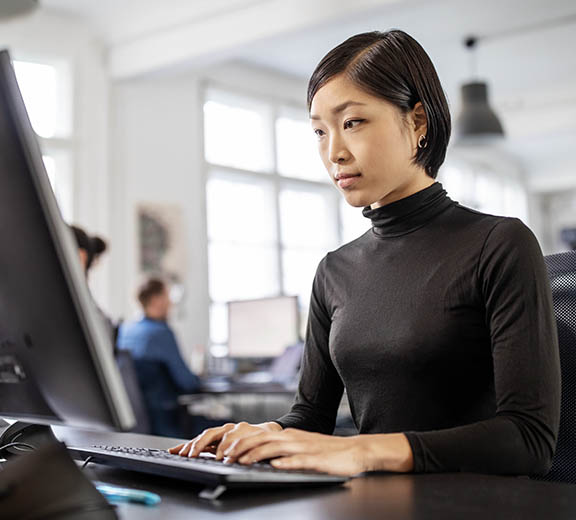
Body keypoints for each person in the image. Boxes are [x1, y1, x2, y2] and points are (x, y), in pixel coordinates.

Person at [169, 29, 560, 477]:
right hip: (372, 502)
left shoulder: (499, 244)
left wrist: (364, 450)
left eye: (352, 122)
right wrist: (264, 433)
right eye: (319, 131)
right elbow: (310, 417)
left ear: (417, 123)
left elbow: (529, 440)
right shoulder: (334, 270)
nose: (334, 152)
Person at [117, 278, 201, 436]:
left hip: (135, 422)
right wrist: (199, 378)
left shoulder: (124, 330)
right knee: (230, 424)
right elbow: (188, 383)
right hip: (166, 423)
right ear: (157, 300)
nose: (171, 303)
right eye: (168, 296)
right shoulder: (161, 333)